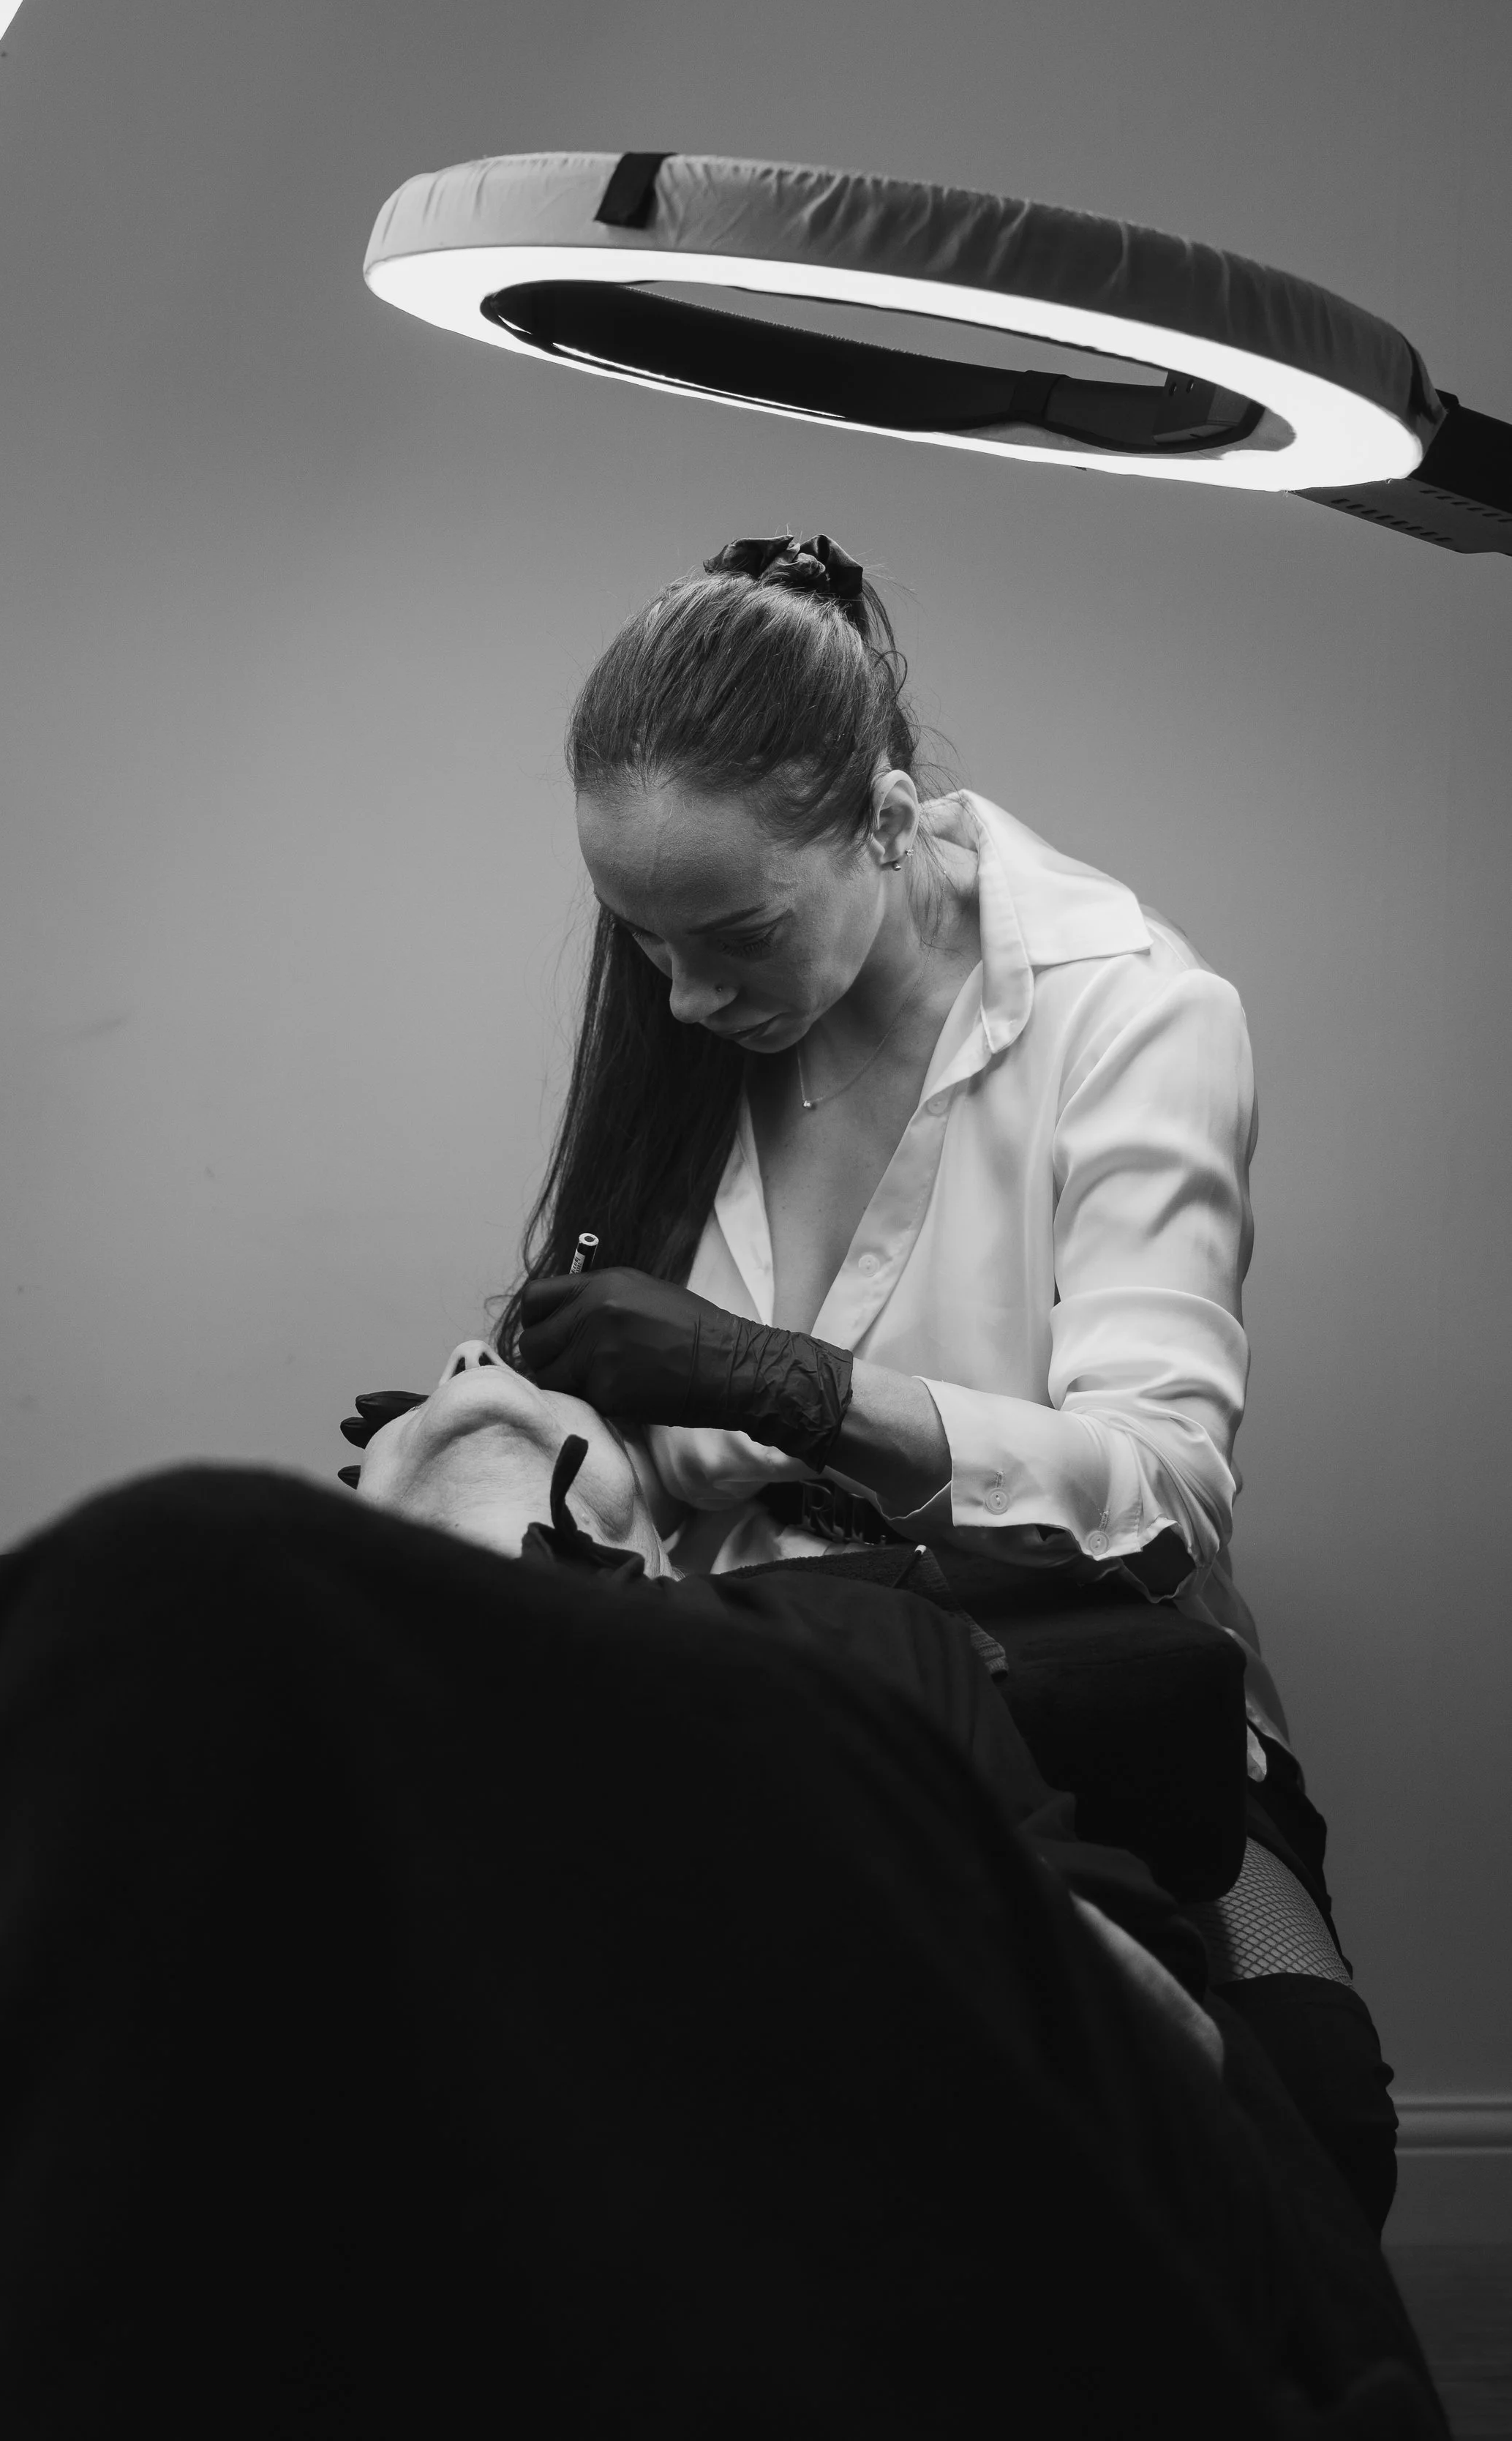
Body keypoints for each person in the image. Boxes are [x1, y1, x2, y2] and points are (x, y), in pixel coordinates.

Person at [0, 1362, 1442, 2435]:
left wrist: (553, 1606)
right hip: (326, 2190)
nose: (476, 1369)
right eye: (445, 1387)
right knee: (123, 1601)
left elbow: (1130, 2022)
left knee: (171, 1575)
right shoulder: (196, 1673)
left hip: (887, 2115)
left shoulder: (857, 1630)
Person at [504, 532, 1397, 2232]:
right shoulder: (694, 1014)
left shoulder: (1130, 1019)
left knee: (1304, 2119)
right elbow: (612, 1435)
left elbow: (1161, 1494)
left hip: (1084, 1696)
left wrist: (791, 1386)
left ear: (887, 821)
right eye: (640, 942)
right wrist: (513, 1433)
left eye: (733, 935)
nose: (683, 997)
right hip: (753, 1686)